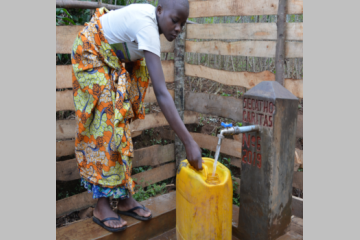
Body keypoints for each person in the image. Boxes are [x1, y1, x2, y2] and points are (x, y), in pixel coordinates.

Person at [71, 0, 202, 232]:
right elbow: (162, 94)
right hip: (90, 52)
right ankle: (101, 205)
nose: (179, 28)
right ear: (159, 10)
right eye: (175, 20)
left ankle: (123, 198)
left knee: (119, 122)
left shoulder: (151, 26)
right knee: (106, 124)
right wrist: (189, 141)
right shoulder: (147, 27)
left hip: (111, 59)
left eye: (182, 23)